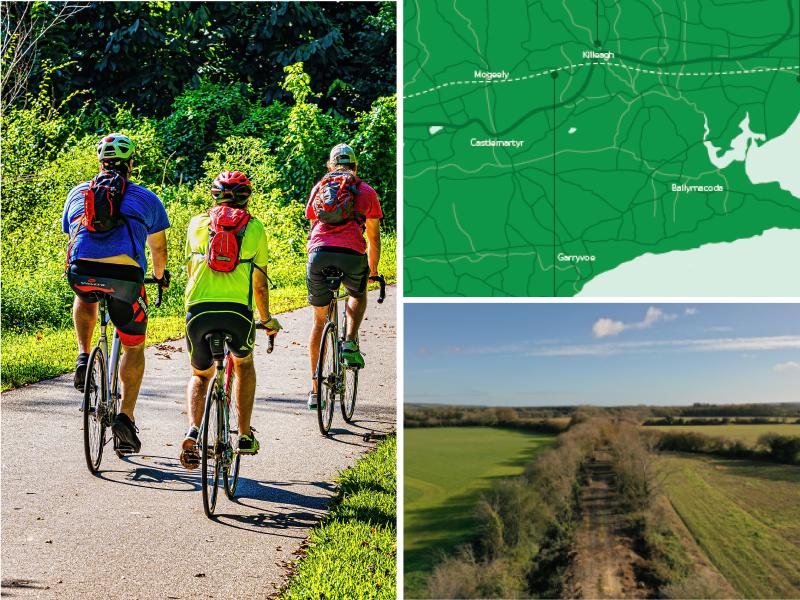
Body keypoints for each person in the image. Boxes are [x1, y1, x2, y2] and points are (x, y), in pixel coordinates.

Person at [63, 132, 170, 455]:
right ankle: (126, 417)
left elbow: (72, 233)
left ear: (100, 163)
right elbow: (159, 248)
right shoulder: (146, 198)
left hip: (82, 273)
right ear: (131, 164)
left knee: (85, 295)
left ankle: (84, 355)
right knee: (134, 346)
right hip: (125, 280)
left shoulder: (79, 193)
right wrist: (159, 276)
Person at [180, 170, 281, 469]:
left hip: (198, 311)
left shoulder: (197, 224)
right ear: (247, 197)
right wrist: (268, 320)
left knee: (200, 375)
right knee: (244, 363)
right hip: (237, 313)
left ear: (214, 195)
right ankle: (245, 434)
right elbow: (260, 286)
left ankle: (194, 431)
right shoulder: (256, 228)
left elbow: (190, 271)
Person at [305, 143, 382, 410]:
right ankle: (349, 342)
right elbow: (373, 237)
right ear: (356, 166)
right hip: (351, 254)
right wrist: (371, 272)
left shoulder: (320, 187)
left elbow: (312, 219)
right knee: (357, 294)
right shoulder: (367, 192)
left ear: (330, 166)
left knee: (318, 322)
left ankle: (315, 391)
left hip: (319, 253)